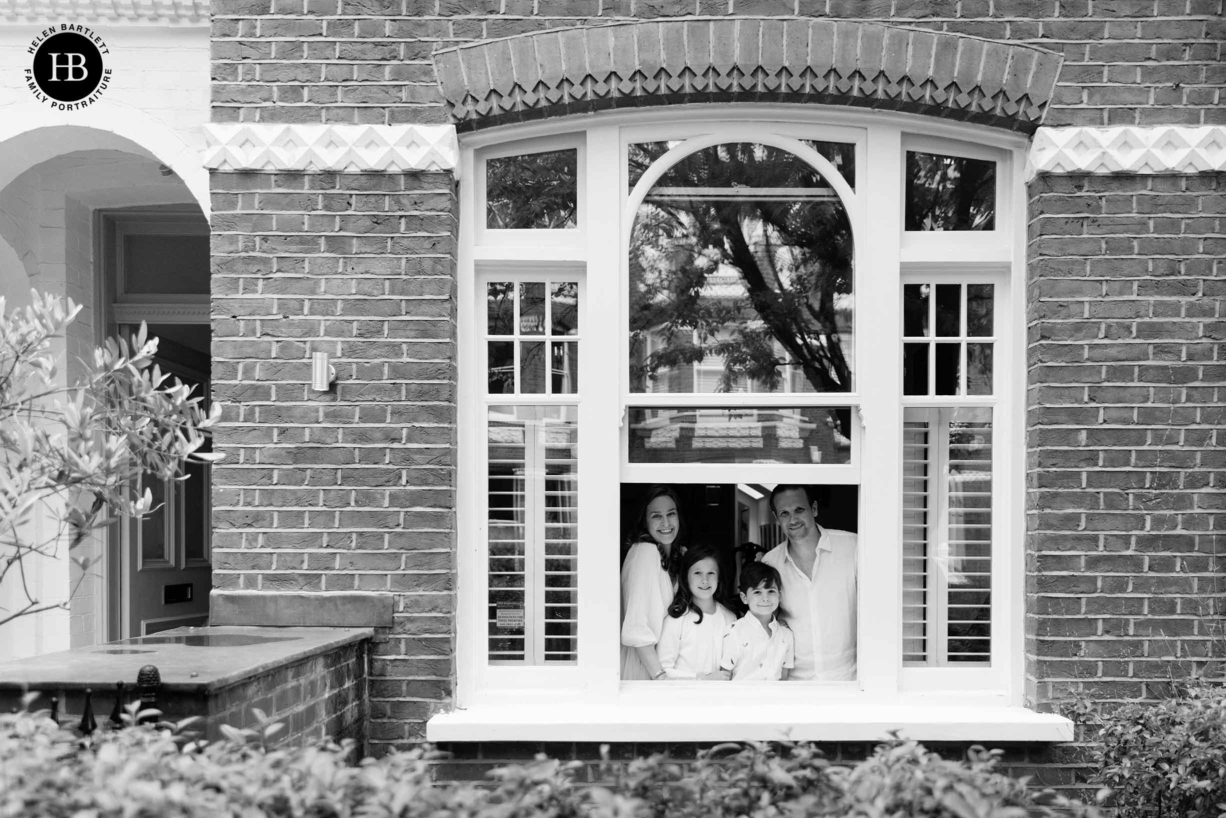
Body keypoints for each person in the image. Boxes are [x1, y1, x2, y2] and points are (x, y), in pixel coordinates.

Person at [760, 484, 856, 681]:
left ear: (814, 509)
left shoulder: (853, 547)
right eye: (784, 513)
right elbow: (765, 622)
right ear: (776, 518)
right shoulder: (770, 562)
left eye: (799, 510)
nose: (793, 519)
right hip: (795, 684)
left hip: (849, 679)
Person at [620, 485, 687, 680]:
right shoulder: (645, 552)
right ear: (644, 521)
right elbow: (637, 627)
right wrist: (659, 676)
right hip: (646, 667)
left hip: (663, 663)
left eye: (671, 514)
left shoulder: (668, 555)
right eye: (656, 516)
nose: (666, 522)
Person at [656, 546, 736, 680]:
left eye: (711, 573)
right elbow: (663, 670)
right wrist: (701, 678)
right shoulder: (676, 619)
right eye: (697, 573)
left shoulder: (730, 618)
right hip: (685, 697)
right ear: (686, 578)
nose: (705, 580)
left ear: (719, 578)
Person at [720, 561, 794, 681]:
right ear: (744, 598)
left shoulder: (786, 635)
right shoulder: (734, 631)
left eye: (771, 591)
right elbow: (725, 677)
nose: (765, 598)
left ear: (779, 595)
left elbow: (784, 679)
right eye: (757, 592)